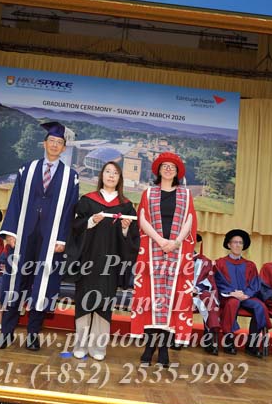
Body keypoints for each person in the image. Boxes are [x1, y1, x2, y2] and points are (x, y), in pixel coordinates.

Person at [0, 122, 80, 351]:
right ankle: (6, 333)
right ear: (44, 144)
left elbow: (70, 210)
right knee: (15, 282)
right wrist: (10, 232)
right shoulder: (27, 169)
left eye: (59, 143)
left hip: (50, 239)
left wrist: (62, 239)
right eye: (52, 141)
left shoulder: (71, 177)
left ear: (64, 148)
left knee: (42, 285)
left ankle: (33, 335)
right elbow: (15, 200)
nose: (55, 145)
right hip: (24, 235)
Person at [131, 152, 197, 368]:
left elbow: (189, 219)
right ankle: (149, 348)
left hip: (177, 253)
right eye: (164, 166)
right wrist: (160, 240)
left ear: (177, 172)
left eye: (172, 167)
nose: (168, 169)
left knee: (172, 301)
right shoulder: (149, 193)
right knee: (152, 299)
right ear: (158, 170)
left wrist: (176, 242)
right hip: (153, 251)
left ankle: (164, 349)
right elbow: (142, 219)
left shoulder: (186, 195)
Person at [70, 162, 139, 360]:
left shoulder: (126, 206)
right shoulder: (87, 201)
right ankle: (81, 344)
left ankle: (98, 347)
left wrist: (125, 228)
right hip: (88, 260)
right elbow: (74, 227)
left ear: (120, 178)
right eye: (108, 171)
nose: (111, 175)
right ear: (102, 175)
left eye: (115, 173)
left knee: (104, 303)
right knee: (84, 301)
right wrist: (91, 221)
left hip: (111, 263)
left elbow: (133, 239)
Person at [214, 229, 271, 358]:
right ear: (229, 245)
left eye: (240, 243)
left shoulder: (250, 265)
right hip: (229, 297)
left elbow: (255, 284)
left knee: (260, 306)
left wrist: (246, 294)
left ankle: (252, 345)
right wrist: (232, 293)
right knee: (232, 303)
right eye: (235, 242)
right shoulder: (220, 263)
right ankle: (228, 342)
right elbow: (218, 282)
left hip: (246, 296)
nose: (238, 245)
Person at [191, 234, 223, 356]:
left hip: (198, 293)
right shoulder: (175, 258)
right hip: (179, 293)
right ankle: (176, 338)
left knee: (210, 300)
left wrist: (196, 289)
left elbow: (209, 280)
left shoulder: (205, 261)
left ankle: (210, 339)